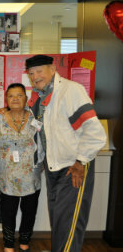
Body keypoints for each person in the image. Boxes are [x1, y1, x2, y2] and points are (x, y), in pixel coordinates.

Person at [25, 55, 106, 252]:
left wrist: (80, 162)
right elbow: (44, 132)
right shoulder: (38, 97)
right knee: (59, 222)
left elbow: (95, 132)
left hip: (73, 167)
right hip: (54, 168)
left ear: (53, 69)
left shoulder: (70, 91)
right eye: (31, 73)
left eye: (39, 71)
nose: (35, 76)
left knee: (69, 225)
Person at [0, 83, 44, 252]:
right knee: (8, 212)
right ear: (6, 99)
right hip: (7, 175)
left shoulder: (35, 120)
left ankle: (25, 241)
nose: (15, 99)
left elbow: (42, 144)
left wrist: (41, 162)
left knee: (29, 211)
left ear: (26, 99)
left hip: (31, 175)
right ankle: (9, 244)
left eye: (19, 95)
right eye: (11, 96)